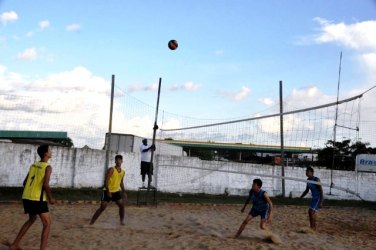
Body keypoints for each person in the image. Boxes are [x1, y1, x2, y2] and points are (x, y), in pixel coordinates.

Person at [9, 144, 55, 250]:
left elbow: (25, 182)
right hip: (37, 199)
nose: (51, 151)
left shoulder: (33, 165)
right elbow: (46, 185)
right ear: (46, 154)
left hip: (26, 197)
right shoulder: (48, 167)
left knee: (32, 219)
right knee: (47, 224)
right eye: (50, 150)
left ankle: (14, 245)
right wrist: (51, 198)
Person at [90, 155, 126, 225]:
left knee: (122, 205)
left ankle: (121, 221)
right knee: (102, 207)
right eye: (117, 160)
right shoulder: (111, 169)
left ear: (122, 161)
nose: (118, 161)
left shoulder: (123, 172)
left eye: (120, 160)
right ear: (115, 161)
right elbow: (106, 181)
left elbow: (121, 182)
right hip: (107, 190)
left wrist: (124, 191)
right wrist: (108, 191)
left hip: (116, 191)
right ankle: (91, 222)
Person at [300, 166, 323, 231]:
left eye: (308, 171)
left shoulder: (316, 179)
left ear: (312, 172)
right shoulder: (308, 180)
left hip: (318, 198)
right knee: (312, 213)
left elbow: (321, 191)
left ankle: (312, 228)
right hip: (314, 198)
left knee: (311, 211)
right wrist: (301, 196)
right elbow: (307, 190)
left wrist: (321, 201)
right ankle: (313, 228)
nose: (306, 172)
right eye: (306, 171)